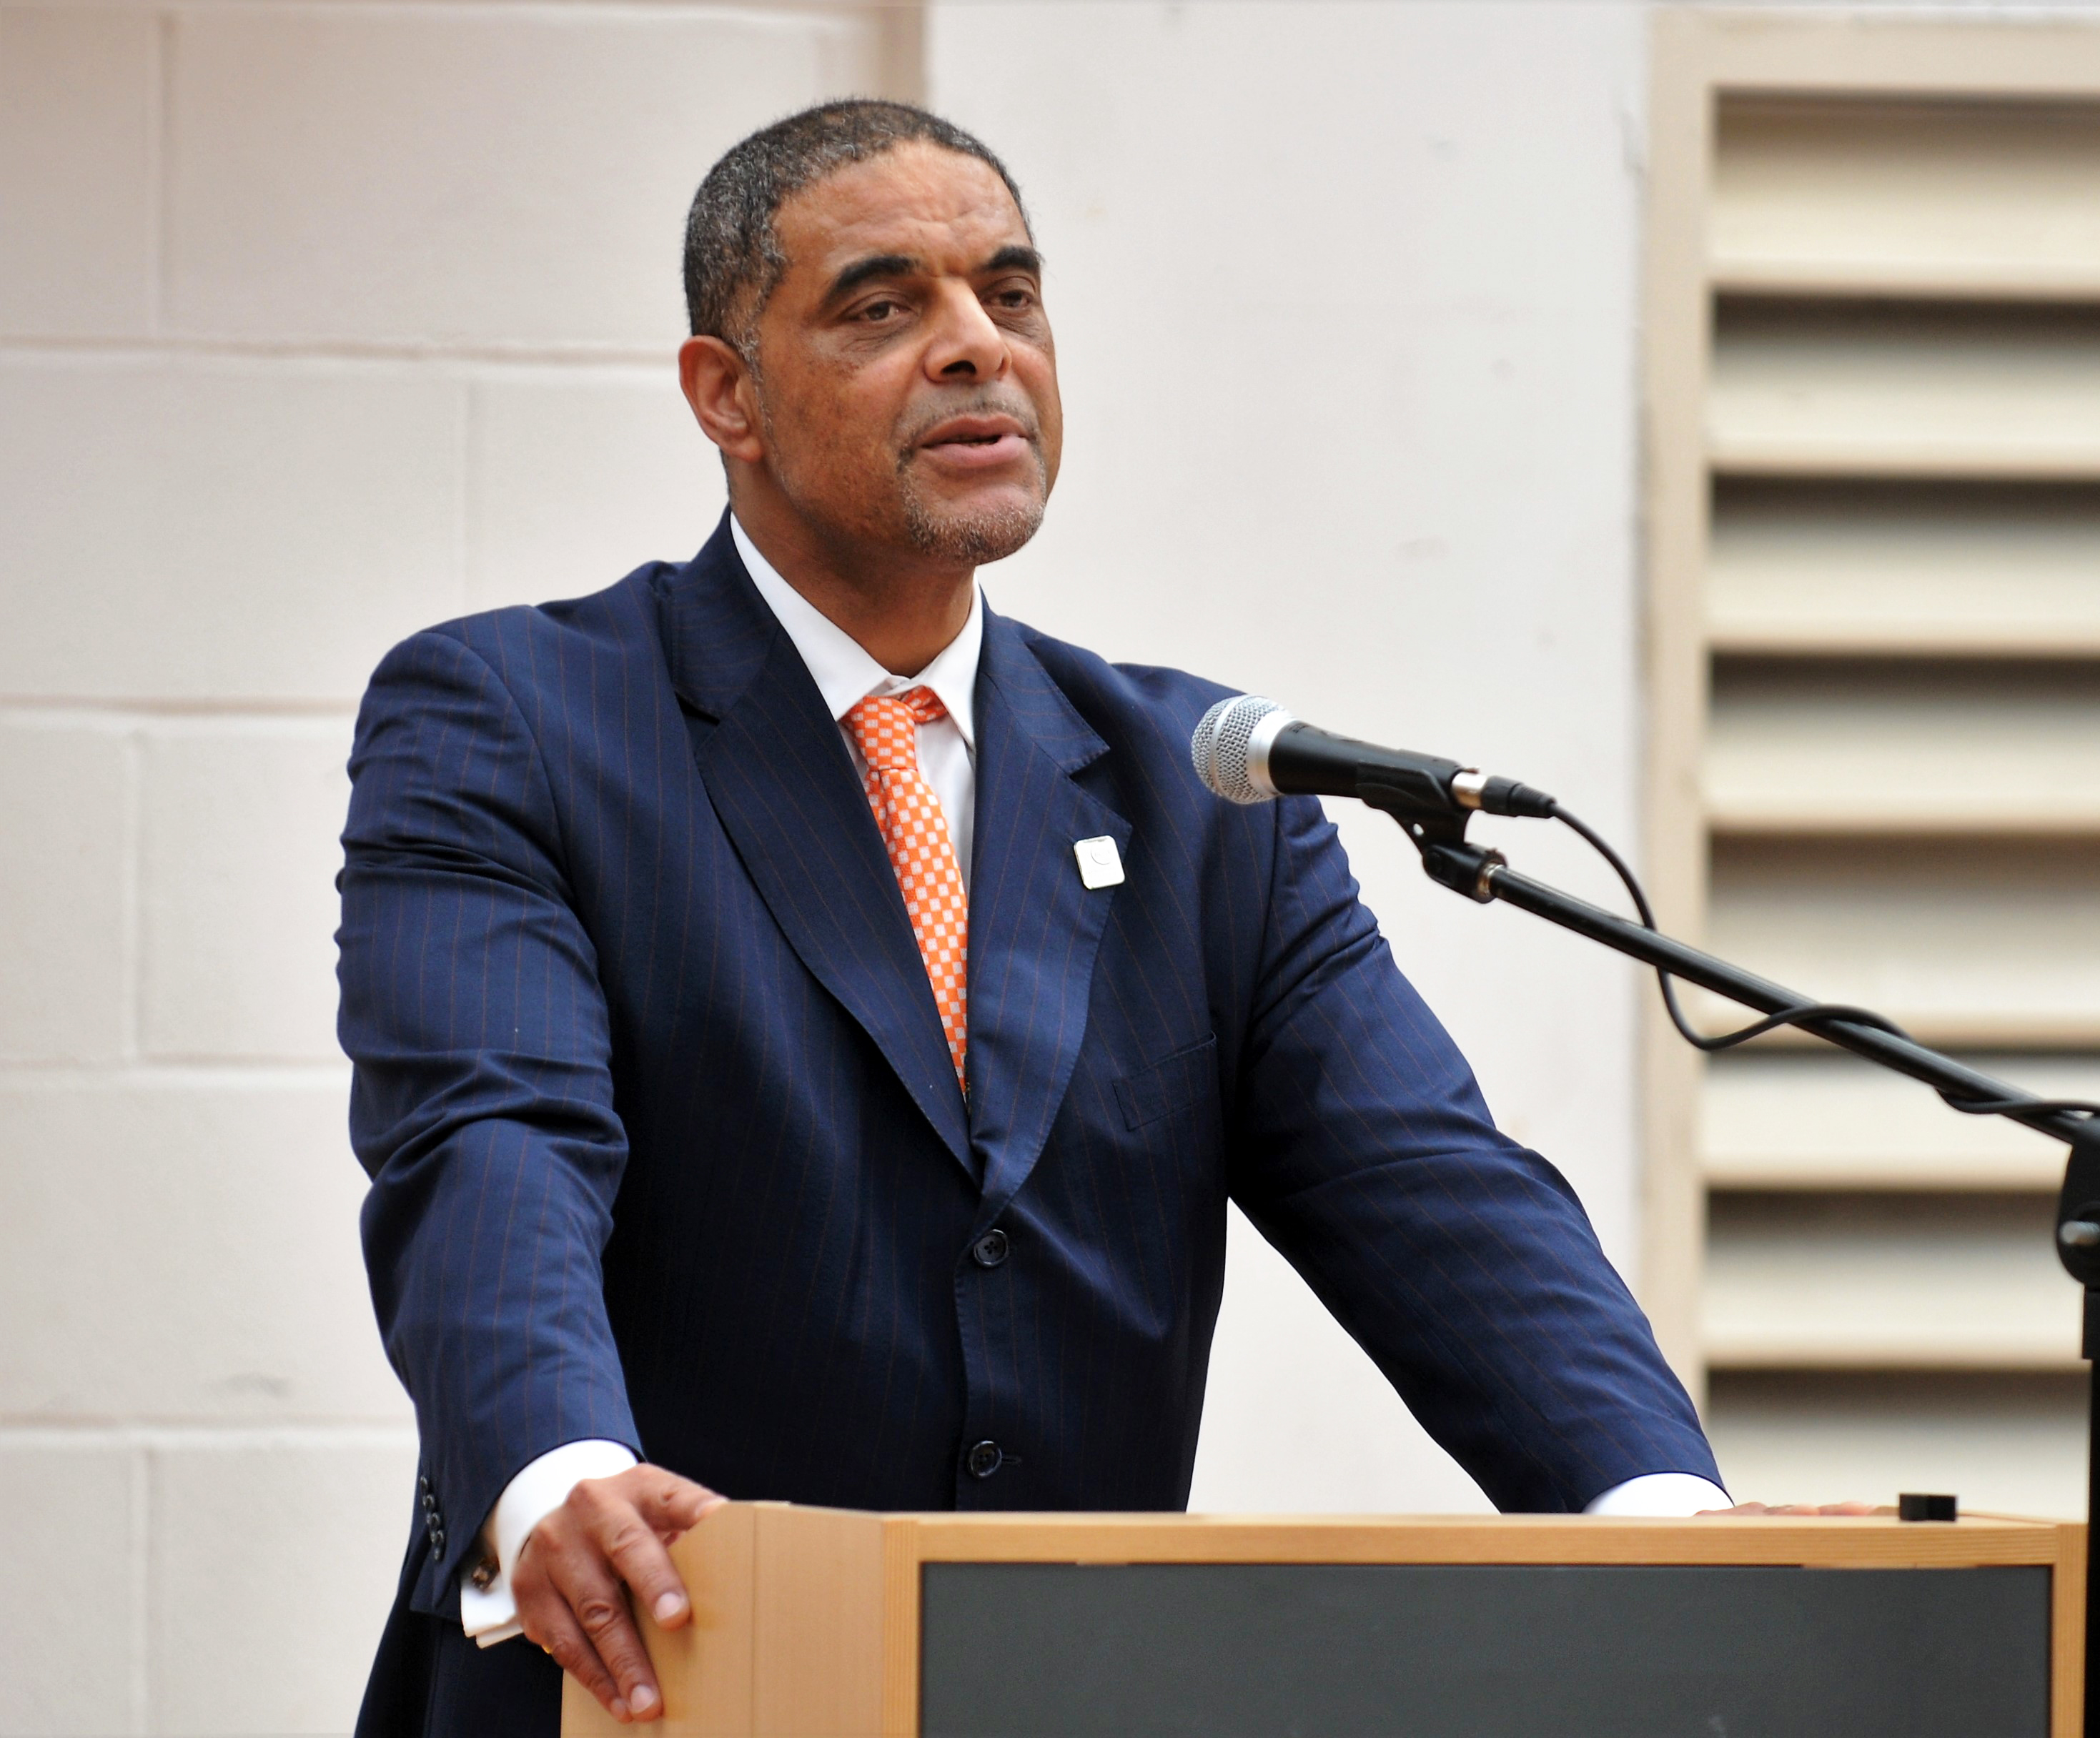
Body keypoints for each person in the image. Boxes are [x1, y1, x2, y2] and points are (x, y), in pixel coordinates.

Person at [340, 100, 1729, 1736]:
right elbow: (490, 1137)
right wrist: (555, 1460)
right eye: (881, 306)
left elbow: (1427, 1187)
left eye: (1010, 295)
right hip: (640, 1668)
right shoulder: (516, 716)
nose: (973, 349)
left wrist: (1663, 1525)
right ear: (728, 394)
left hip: (1063, 1691)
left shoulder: (1199, 789)